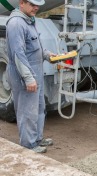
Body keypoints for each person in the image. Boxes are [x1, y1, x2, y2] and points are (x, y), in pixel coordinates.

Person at [6, 0, 55, 153]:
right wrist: (28, 78)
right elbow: (18, 54)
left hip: (36, 72)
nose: (36, 7)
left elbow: (35, 44)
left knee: (39, 108)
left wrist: (47, 54)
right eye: (33, 4)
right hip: (24, 73)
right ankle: (28, 145)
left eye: (38, 4)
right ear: (22, 3)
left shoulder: (29, 20)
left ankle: (37, 139)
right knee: (27, 110)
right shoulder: (16, 24)